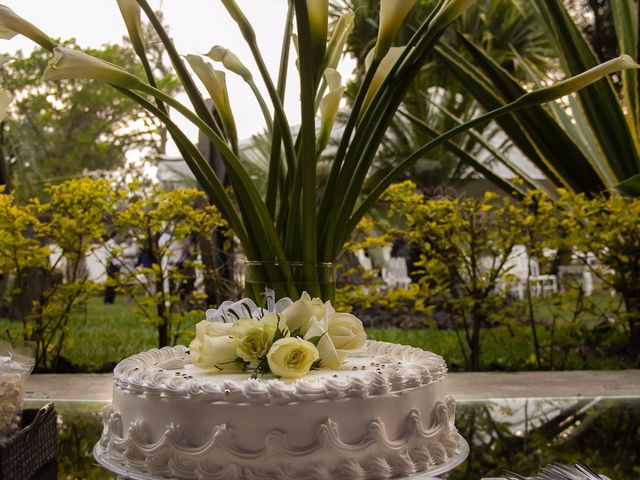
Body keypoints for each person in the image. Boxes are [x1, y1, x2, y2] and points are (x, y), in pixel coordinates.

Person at [103, 232, 120, 304]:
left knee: (114, 283)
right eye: (118, 236)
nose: (119, 238)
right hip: (112, 264)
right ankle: (108, 299)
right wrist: (115, 263)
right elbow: (111, 255)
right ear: (114, 236)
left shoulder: (115, 244)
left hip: (115, 264)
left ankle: (111, 299)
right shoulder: (110, 244)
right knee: (110, 282)